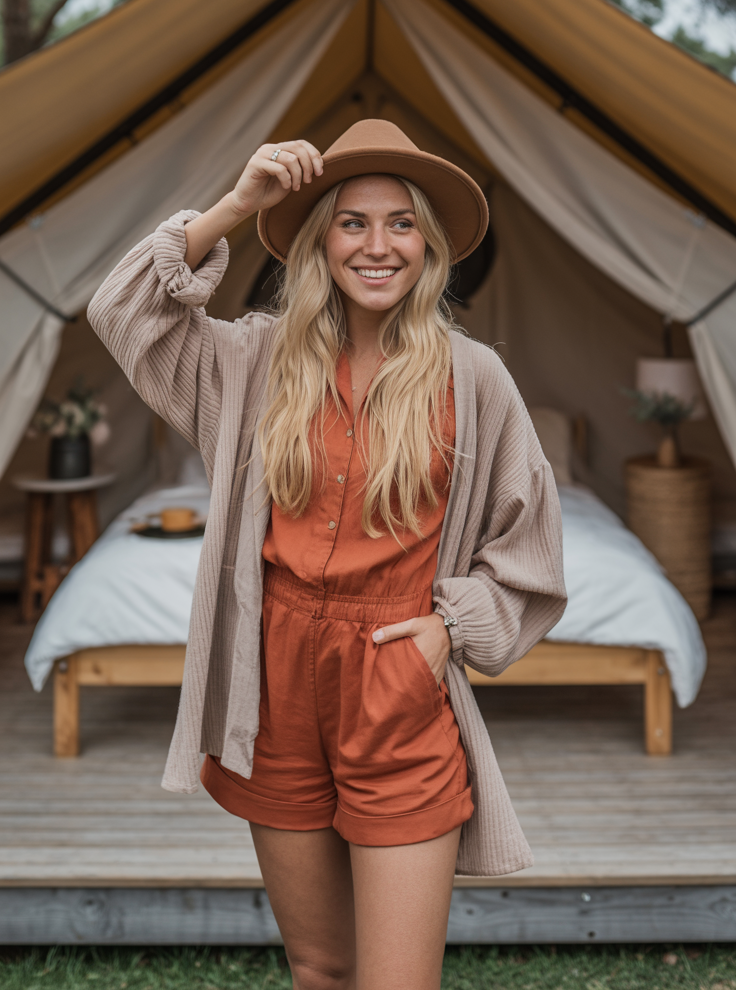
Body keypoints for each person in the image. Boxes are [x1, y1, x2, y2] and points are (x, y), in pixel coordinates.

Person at [89, 119, 566, 990]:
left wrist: (446, 635)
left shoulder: (473, 378)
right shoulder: (252, 359)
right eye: (352, 221)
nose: (378, 245)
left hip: (397, 680)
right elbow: (121, 312)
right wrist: (238, 205)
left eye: (402, 222)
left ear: (429, 244)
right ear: (319, 240)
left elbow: (531, 546)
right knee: (320, 969)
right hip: (273, 682)